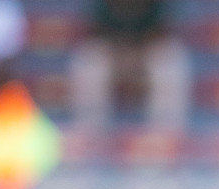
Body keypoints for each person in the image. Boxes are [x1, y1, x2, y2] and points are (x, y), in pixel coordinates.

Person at [70, 0, 191, 133]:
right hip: (113, 54)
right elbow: (95, 32)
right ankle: (91, 133)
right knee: (90, 61)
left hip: (147, 53)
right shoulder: (100, 5)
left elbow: (163, 31)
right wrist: (122, 54)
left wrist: (136, 57)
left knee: (170, 60)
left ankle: (166, 134)